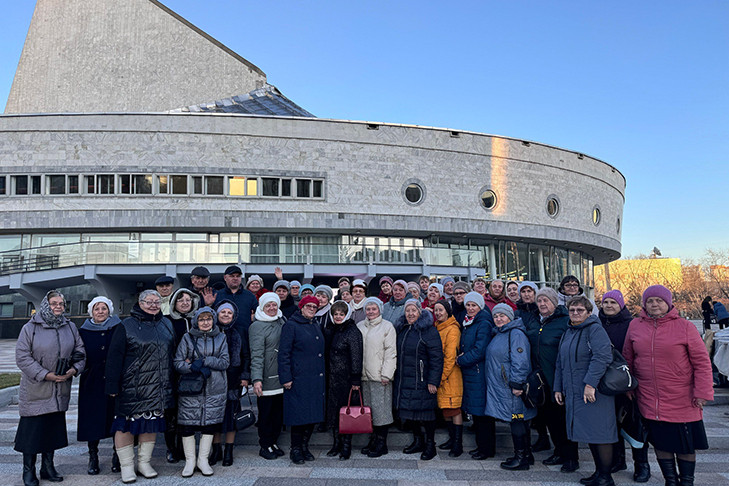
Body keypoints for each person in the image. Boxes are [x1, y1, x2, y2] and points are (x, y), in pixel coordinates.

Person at [624, 285, 714, 486]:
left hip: (682, 396)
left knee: (684, 445)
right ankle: (670, 481)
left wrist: (703, 392)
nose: (654, 304)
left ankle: (687, 482)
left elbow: (701, 362)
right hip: (648, 395)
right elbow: (627, 359)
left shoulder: (685, 327)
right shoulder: (635, 326)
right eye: (649, 301)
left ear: (668, 303)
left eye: (659, 300)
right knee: (661, 441)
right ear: (644, 304)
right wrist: (628, 386)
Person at [15, 290, 86, 486]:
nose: (58, 307)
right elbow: (22, 357)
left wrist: (73, 370)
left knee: (51, 430)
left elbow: (80, 351)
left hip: (60, 388)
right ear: (46, 304)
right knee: (31, 433)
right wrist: (45, 374)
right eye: (54, 303)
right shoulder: (31, 328)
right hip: (36, 389)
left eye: (61, 304)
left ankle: (47, 467)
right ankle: (28, 470)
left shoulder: (69, 326)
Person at [105, 289, 176, 483]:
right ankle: (127, 466)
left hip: (158, 386)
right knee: (125, 427)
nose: (153, 305)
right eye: (148, 302)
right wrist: (112, 385)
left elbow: (172, 353)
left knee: (150, 424)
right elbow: (114, 357)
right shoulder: (126, 325)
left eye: (157, 301)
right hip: (131, 386)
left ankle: (144, 463)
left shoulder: (166, 324)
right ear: (140, 302)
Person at [554, 296, 616, 486]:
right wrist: (558, 387)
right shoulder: (569, 331)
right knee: (590, 432)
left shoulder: (595, 330)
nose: (575, 313)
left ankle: (606, 476)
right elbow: (560, 362)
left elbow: (602, 357)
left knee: (601, 433)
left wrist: (590, 384)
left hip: (593, 391)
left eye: (580, 310)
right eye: (572, 310)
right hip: (574, 391)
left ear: (589, 312)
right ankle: (599, 472)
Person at [598, 289, 650, 483]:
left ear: (621, 305)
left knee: (633, 424)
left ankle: (641, 464)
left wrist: (631, 384)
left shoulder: (632, 325)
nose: (609, 306)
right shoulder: (597, 324)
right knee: (612, 423)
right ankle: (618, 459)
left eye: (613, 302)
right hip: (605, 382)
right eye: (606, 302)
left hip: (626, 381)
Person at [527, 287, 579, 472]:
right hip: (541, 380)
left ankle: (571, 457)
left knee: (563, 419)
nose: (542, 304)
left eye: (545, 301)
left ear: (554, 303)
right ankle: (558, 451)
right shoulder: (535, 321)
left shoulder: (564, 321)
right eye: (539, 301)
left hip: (560, 379)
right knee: (550, 418)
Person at [174, 307, 230, 477]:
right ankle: (190, 461)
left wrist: (205, 361)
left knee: (210, 424)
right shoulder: (187, 338)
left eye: (208, 319)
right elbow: (177, 362)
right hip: (191, 388)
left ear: (213, 320)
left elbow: (225, 362)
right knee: (187, 425)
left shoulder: (221, 337)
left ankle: (203, 460)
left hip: (215, 387)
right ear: (196, 321)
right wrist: (191, 366)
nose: (205, 322)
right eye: (201, 319)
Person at [485, 303, 536, 471]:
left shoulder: (515, 334)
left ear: (510, 317)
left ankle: (521, 458)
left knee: (517, 419)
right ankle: (526, 454)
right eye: (496, 316)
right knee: (518, 419)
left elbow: (520, 360)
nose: (498, 319)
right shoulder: (501, 332)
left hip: (512, 387)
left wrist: (517, 383)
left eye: (502, 316)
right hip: (503, 387)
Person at [278, 295, 326, 465]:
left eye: (315, 307)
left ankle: (305, 446)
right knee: (299, 416)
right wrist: (286, 377)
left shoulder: (315, 324)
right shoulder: (291, 325)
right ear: (301, 307)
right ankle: (296, 448)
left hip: (315, 378)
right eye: (309, 306)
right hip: (298, 378)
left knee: (312, 415)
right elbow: (284, 354)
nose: (312, 309)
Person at [394, 300, 443, 461]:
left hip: (423, 380)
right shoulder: (402, 329)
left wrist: (433, 381)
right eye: (407, 310)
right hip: (405, 380)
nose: (410, 314)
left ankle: (430, 445)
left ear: (420, 312)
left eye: (413, 310)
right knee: (410, 413)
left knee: (426, 415)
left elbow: (436, 359)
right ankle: (418, 441)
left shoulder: (429, 331)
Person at [78, 296, 122, 475]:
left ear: (109, 310)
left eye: (104, 308)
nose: (100, 312)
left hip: (114, 378)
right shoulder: (83, 331)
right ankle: (93, 456)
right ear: (91, 312)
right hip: (92, 379)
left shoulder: (118, 327)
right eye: (97, 309)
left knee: (116, 417)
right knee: (92, 418)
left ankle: (117, 455)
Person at [456, 291, 496, 460]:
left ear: (480, 306)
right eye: (468, 305)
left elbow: (480, 350)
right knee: (477, 414)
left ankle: (486, 449)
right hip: (471, 372)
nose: (470, 308)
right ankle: (481, 446)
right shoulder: (469, 322)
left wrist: (461, 360)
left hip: (478, 372)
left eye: (473, 305)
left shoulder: (484, 323)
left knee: (482, 414)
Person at [357, 297, 397, 458]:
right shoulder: (359, 326)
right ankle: (373, 440)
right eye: (368, 309)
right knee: (369, 411)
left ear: (380, 309)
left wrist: (387, 374)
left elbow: (391, 352)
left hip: (380, 376)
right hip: (364, 376)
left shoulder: (387, 327)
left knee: (382, 412)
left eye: (374, 309)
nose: (371, 312)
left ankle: (382, 443)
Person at [324, 301, 363, 460]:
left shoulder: (352, 331)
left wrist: (355, 379)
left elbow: (356, 356)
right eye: (335, 314)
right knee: (334, 412)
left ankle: (346, 446)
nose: (338, 317)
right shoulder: (330, 329)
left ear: (346, 314)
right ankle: (336, 444)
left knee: (346, 412)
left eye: (341, 314)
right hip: (331, 379)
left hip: (346, 379)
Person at [249, 293, 287, 460]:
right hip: (266, 379)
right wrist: (256, 379)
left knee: (278, 415)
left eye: (274, 305)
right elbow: (256, 355)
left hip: (281, 377)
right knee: (266, 415)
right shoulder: (256, 326)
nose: (272, 308)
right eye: (268, 306)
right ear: (262, 307)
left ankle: (273, 443)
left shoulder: (282, 320)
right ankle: (265, 445)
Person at [164, 287, 199, 463]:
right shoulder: (167, 321)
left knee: (188, 412)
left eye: (188, 299)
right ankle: (171, 448)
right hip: (171, 373)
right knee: (171, 413)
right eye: (181, 300)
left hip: (192, 373)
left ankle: (186, 448)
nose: (185, 303)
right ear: (173, 303)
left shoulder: (197, 320)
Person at [210, 300, 247, 467]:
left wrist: (245, 376)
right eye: (222, 312)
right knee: (215, 417)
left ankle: (229, 450)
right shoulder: (211, 331)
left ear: (233, 315)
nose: (226, 315)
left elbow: (246, 355)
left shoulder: (238, 331)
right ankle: (216, 449)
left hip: (233, 379)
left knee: (231, 417)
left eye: (229, 312)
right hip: (213, 380)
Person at [432, 300, 464, 457]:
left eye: (441, 310)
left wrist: (441, 377)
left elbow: (450, 357)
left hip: (450, 376)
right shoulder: (438, 328)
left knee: (454, 408)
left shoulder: (452, 329)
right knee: (446, 408)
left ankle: (458, 443)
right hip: (442, 375)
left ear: (447, 311)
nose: (438, 313)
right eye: (436, 310)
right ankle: (452, 439)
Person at [213, 265, 258, 339]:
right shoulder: (217, 295)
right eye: (232, 276)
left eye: (238, 276)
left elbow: (259, 313)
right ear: (225, 278)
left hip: (244, 338)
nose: (235, 278)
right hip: (222, 338)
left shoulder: (249, 296)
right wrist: (208, 304)